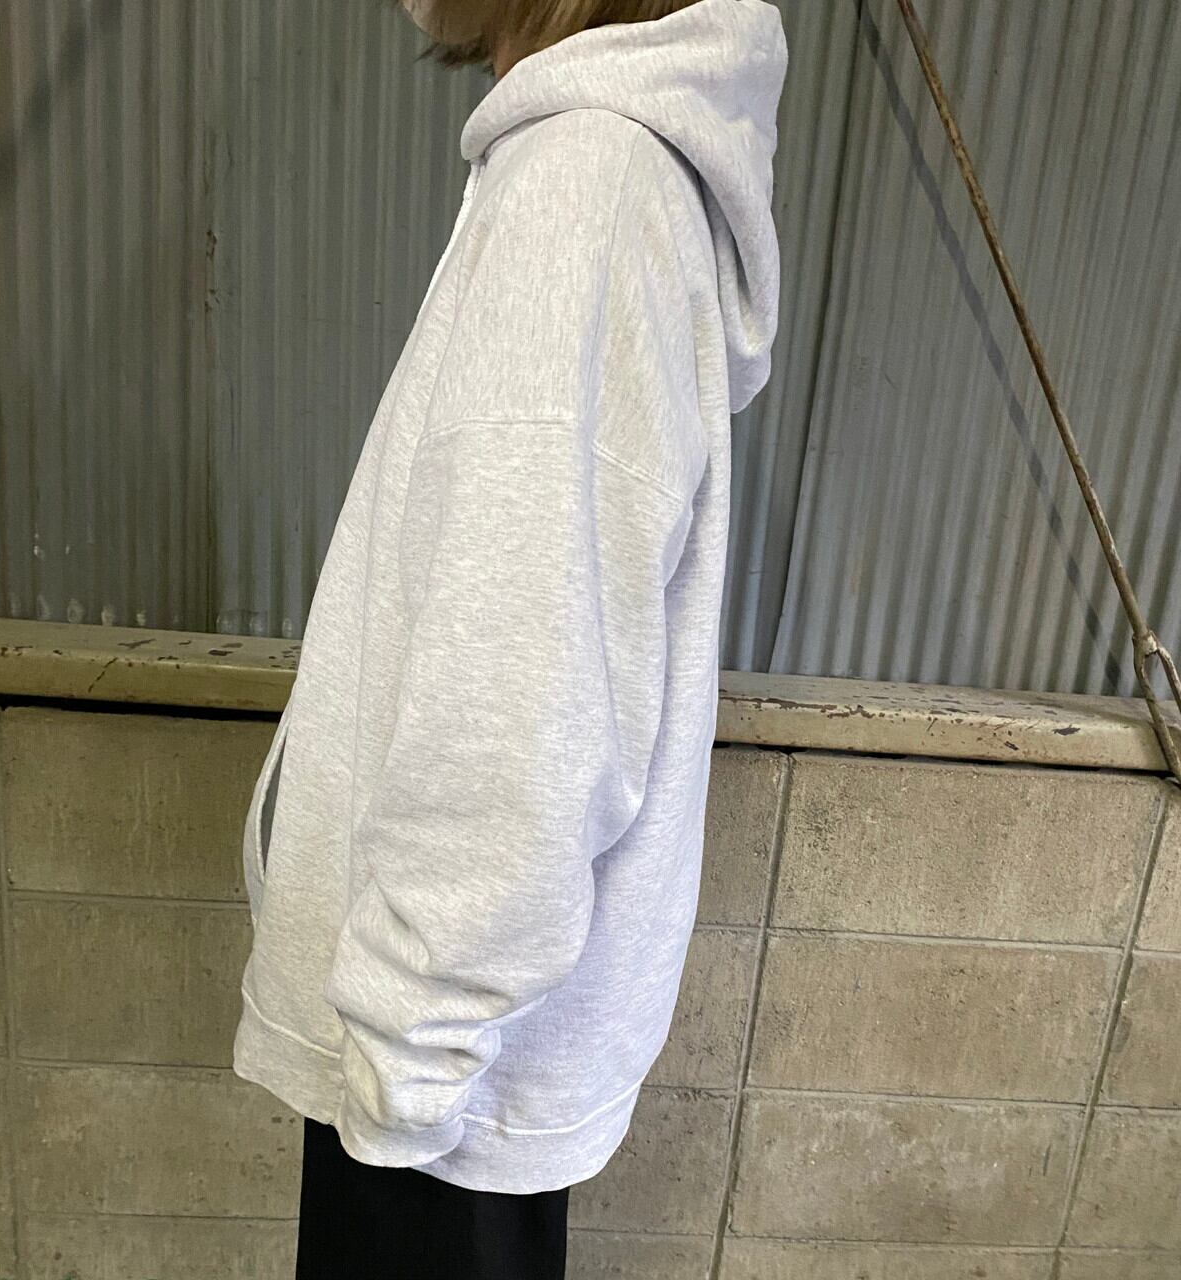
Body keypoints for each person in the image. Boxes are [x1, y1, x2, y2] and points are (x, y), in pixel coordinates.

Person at [231, 0, 787, 1275]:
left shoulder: (582, 184)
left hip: (433, 1089)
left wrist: (405, 1061)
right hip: (455, 1053)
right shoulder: (602, 169)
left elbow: (522, 694)